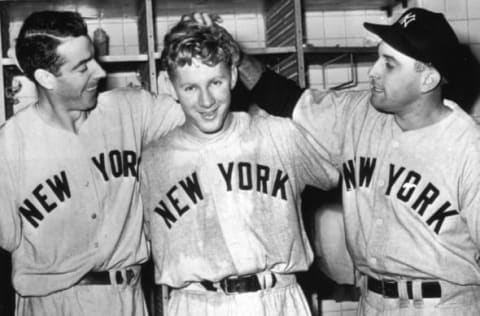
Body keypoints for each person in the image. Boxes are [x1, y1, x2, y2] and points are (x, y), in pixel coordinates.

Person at [248, 7, 480, 315]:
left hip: (442, 306)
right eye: (378, 59)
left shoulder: (469, 149)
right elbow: (287, 99)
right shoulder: (358, 113)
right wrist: (235, 59)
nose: (373, 72)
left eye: (389, 65)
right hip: (370, 302)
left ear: (428, 79)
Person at [139, 14, 339, 316]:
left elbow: (344, 172)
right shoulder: (153, 160)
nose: (206, 100)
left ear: (233, 75)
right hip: (196, 305)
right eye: (190, 88)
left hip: (277, 300)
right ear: (169, 85)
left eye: (215, 82)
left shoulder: (277, 135)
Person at [0, 10, 185, 316]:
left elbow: (205, 119)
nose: (99, 72)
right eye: (83, 67)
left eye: (93, 59)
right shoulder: (9, 145)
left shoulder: (132, 108)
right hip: (51, 304)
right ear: (46, 78)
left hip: (127, 297)